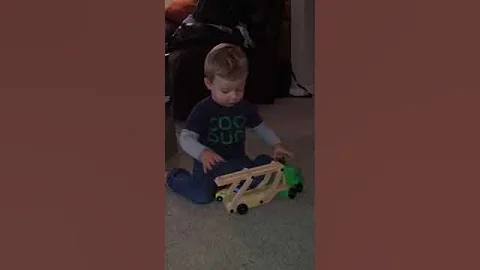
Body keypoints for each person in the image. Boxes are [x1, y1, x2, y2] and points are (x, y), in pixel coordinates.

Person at [166, 43, 293, 204]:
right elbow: (185, 137)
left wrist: (276, 143)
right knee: (202, 196)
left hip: (237, 160)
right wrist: (202, 153)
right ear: (209, 84)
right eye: (225, 91)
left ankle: (258, 164)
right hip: (209, 164)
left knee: (260, 180)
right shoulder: (203, 109)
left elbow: (260, 127)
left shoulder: (245, 107)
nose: (233, 96)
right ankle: (173, 176)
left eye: (239, 89)